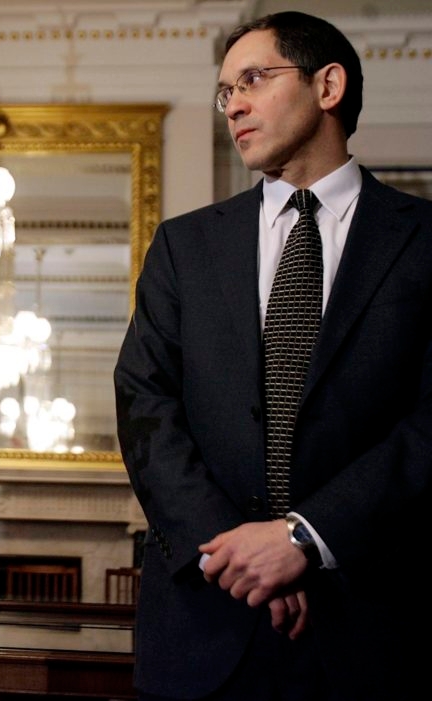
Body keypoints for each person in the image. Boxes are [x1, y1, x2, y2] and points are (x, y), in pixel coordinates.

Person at [114, 10, 432, 701]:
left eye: (253, 79)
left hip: (376, 629)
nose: (234, 104)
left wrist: (304, 538)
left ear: (329, 86)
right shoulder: (184, 247)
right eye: (225, 91)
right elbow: (145, 407)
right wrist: (238, 553)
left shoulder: (424, 240)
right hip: (206, 626)